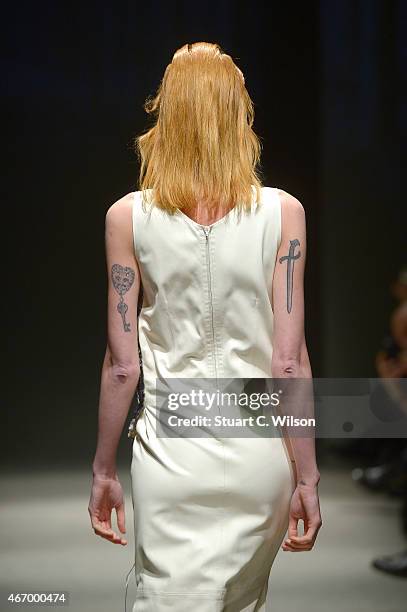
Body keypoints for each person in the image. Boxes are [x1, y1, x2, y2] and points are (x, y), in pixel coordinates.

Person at [88, 41, 322, 611]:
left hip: (171, 456)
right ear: (238, 111)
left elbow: (124, 365)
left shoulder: (128, 217)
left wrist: (102, 467)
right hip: (257, 457)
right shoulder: (283, 213)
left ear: (166, 112)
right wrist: (307, 478)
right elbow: (287, 363)